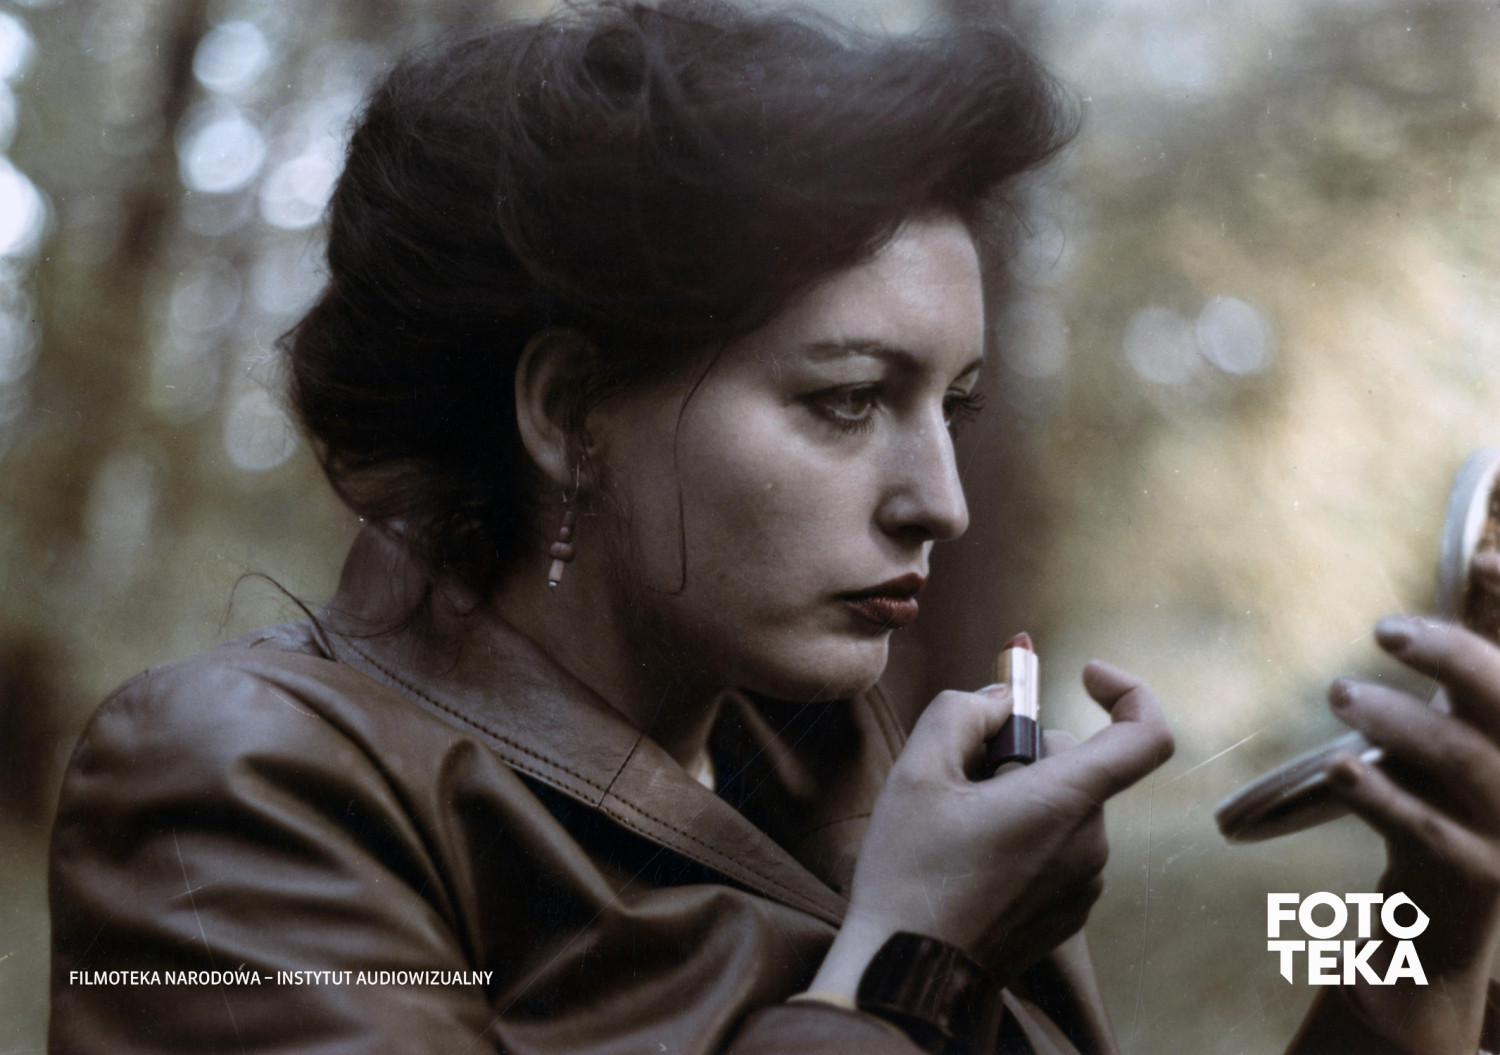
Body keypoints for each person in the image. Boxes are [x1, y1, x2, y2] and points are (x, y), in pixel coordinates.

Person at [45, 2, 1500, 1052]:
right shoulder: (238, 784)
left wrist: (1428, 928)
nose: (941, 500)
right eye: (849, 400)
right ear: (566, 412)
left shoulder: (858, 776)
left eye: (954, 405)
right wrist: (911, 971)